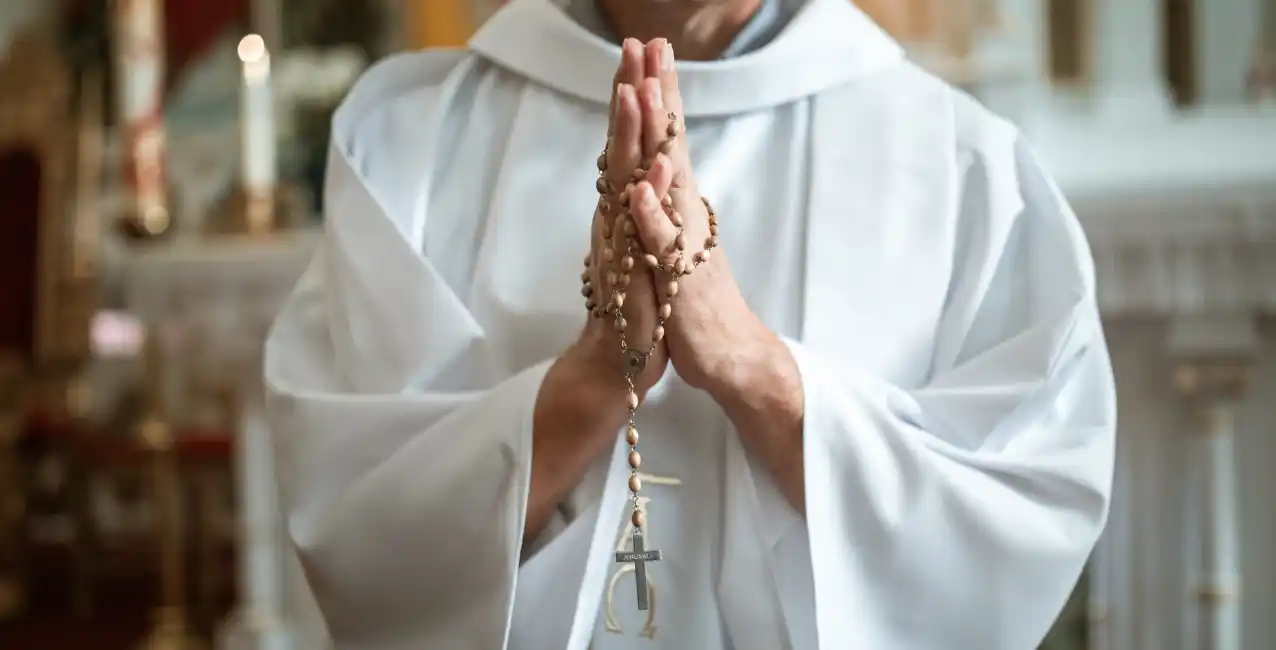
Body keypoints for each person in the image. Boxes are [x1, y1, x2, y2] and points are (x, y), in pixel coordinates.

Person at [263, 0, 1117, 648]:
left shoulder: (965, 164)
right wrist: (597, 377)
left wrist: (754, 368)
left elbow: (1014, 515)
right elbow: (357, 517)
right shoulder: (410, 147)